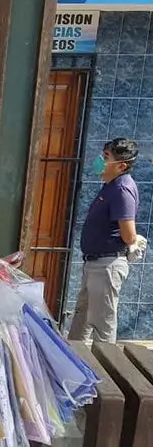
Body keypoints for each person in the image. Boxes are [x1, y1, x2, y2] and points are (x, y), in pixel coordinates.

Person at [68, 138, 142, 345]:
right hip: (94, 264)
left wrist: (134, 242)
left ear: (121, 166)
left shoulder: (122, 190)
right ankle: (74, 362)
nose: (100, 160)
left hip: (106, 266)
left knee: (103, 325)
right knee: (82, 318)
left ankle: (108, 371)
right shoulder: (110, 186)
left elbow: (129, 235)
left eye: (106, 157)